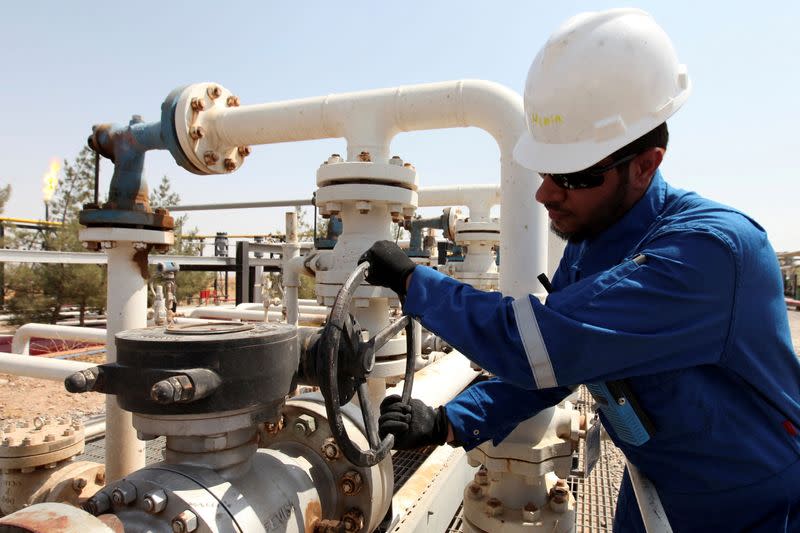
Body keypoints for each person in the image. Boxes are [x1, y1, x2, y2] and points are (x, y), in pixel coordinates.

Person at [359, 8, 800, 533]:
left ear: (645, 164)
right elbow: (559, 365)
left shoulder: (709, 254)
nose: (545, 194)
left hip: (748, 509)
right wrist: (454, 421)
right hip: (651, 487)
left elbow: (541, 345)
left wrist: (416, 283)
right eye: (544, 171)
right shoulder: (595, 241)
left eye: (572, 177)